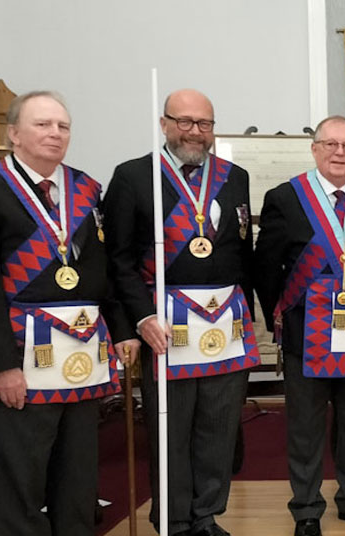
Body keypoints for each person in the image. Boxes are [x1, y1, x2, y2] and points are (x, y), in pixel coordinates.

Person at [0, 90, 138, 535]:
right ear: (14, 133)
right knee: (22, 483)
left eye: (63, 126)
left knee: (77, 479)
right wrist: (1, 366)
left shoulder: (85, 188)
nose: (55, 133)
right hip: (21, 361)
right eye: (42, 124)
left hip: (82, 359)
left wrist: (123, 329)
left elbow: (101, 272)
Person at [104, 88, 258, 536]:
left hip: (225, 325)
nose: (195, 131)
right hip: (165, 327)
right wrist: (139, 318)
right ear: (165, 123)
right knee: (172, 433)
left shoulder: (235, 177)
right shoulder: (134, 177)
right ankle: (173, 520)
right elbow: (119, 259)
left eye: (204, 123)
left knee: (218, 427)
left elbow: (240, 251)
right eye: (185, 121)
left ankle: (207, 515)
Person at [255, 116, 345, 536]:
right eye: (330, 144)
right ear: (314, 149)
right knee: (306, 427)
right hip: (306, 332)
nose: (339, 153)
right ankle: (307, 508)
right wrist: (282, 314)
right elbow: (265, 267)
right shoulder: (285, 197)